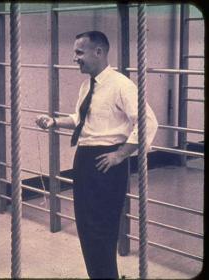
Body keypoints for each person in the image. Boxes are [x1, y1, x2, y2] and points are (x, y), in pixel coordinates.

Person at [35, 31, 158, 279]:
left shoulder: (121, 85)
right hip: (85, 159)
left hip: (106, 162)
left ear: (98, 52)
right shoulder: (87, 85)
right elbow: (81, 121)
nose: (74, 58)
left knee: (101, 230)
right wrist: (53, 122)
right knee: (87, 230)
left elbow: (148, 122)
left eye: (79, 52)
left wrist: (120, 155)